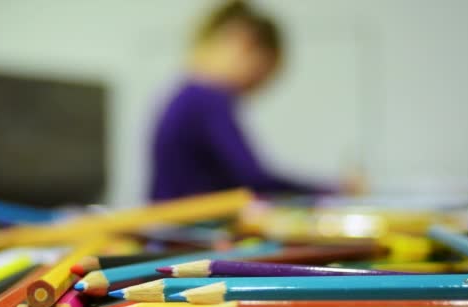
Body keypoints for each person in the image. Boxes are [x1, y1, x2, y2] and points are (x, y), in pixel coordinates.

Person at [148, 1, 357, 201]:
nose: (254, 89)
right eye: (261, 74)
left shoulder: (187, 95)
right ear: (243, 42)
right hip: (188, 230)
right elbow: (253, 181)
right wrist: (332, 190)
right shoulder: (206, 99)